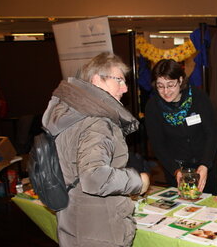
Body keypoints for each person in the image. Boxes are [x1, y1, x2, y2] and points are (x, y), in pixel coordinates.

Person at [42, 52, 150, 246]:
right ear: (96, 80)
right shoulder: (97, 123)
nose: (125, 89)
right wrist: (137, 181)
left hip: (74, 220)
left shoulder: (69, 114)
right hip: (100, 229)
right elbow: (94, 178)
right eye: (119, 81)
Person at [145, 59, 217, 194]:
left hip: (204, 165)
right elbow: (158, 145)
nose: (166, 91)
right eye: (160, 86)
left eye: (171, 85)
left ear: (180, 80)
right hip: (176, 169)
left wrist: (205, 165)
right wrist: (176, 170)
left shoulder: (198, 97)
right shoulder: (153, 107)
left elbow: (212, 133)